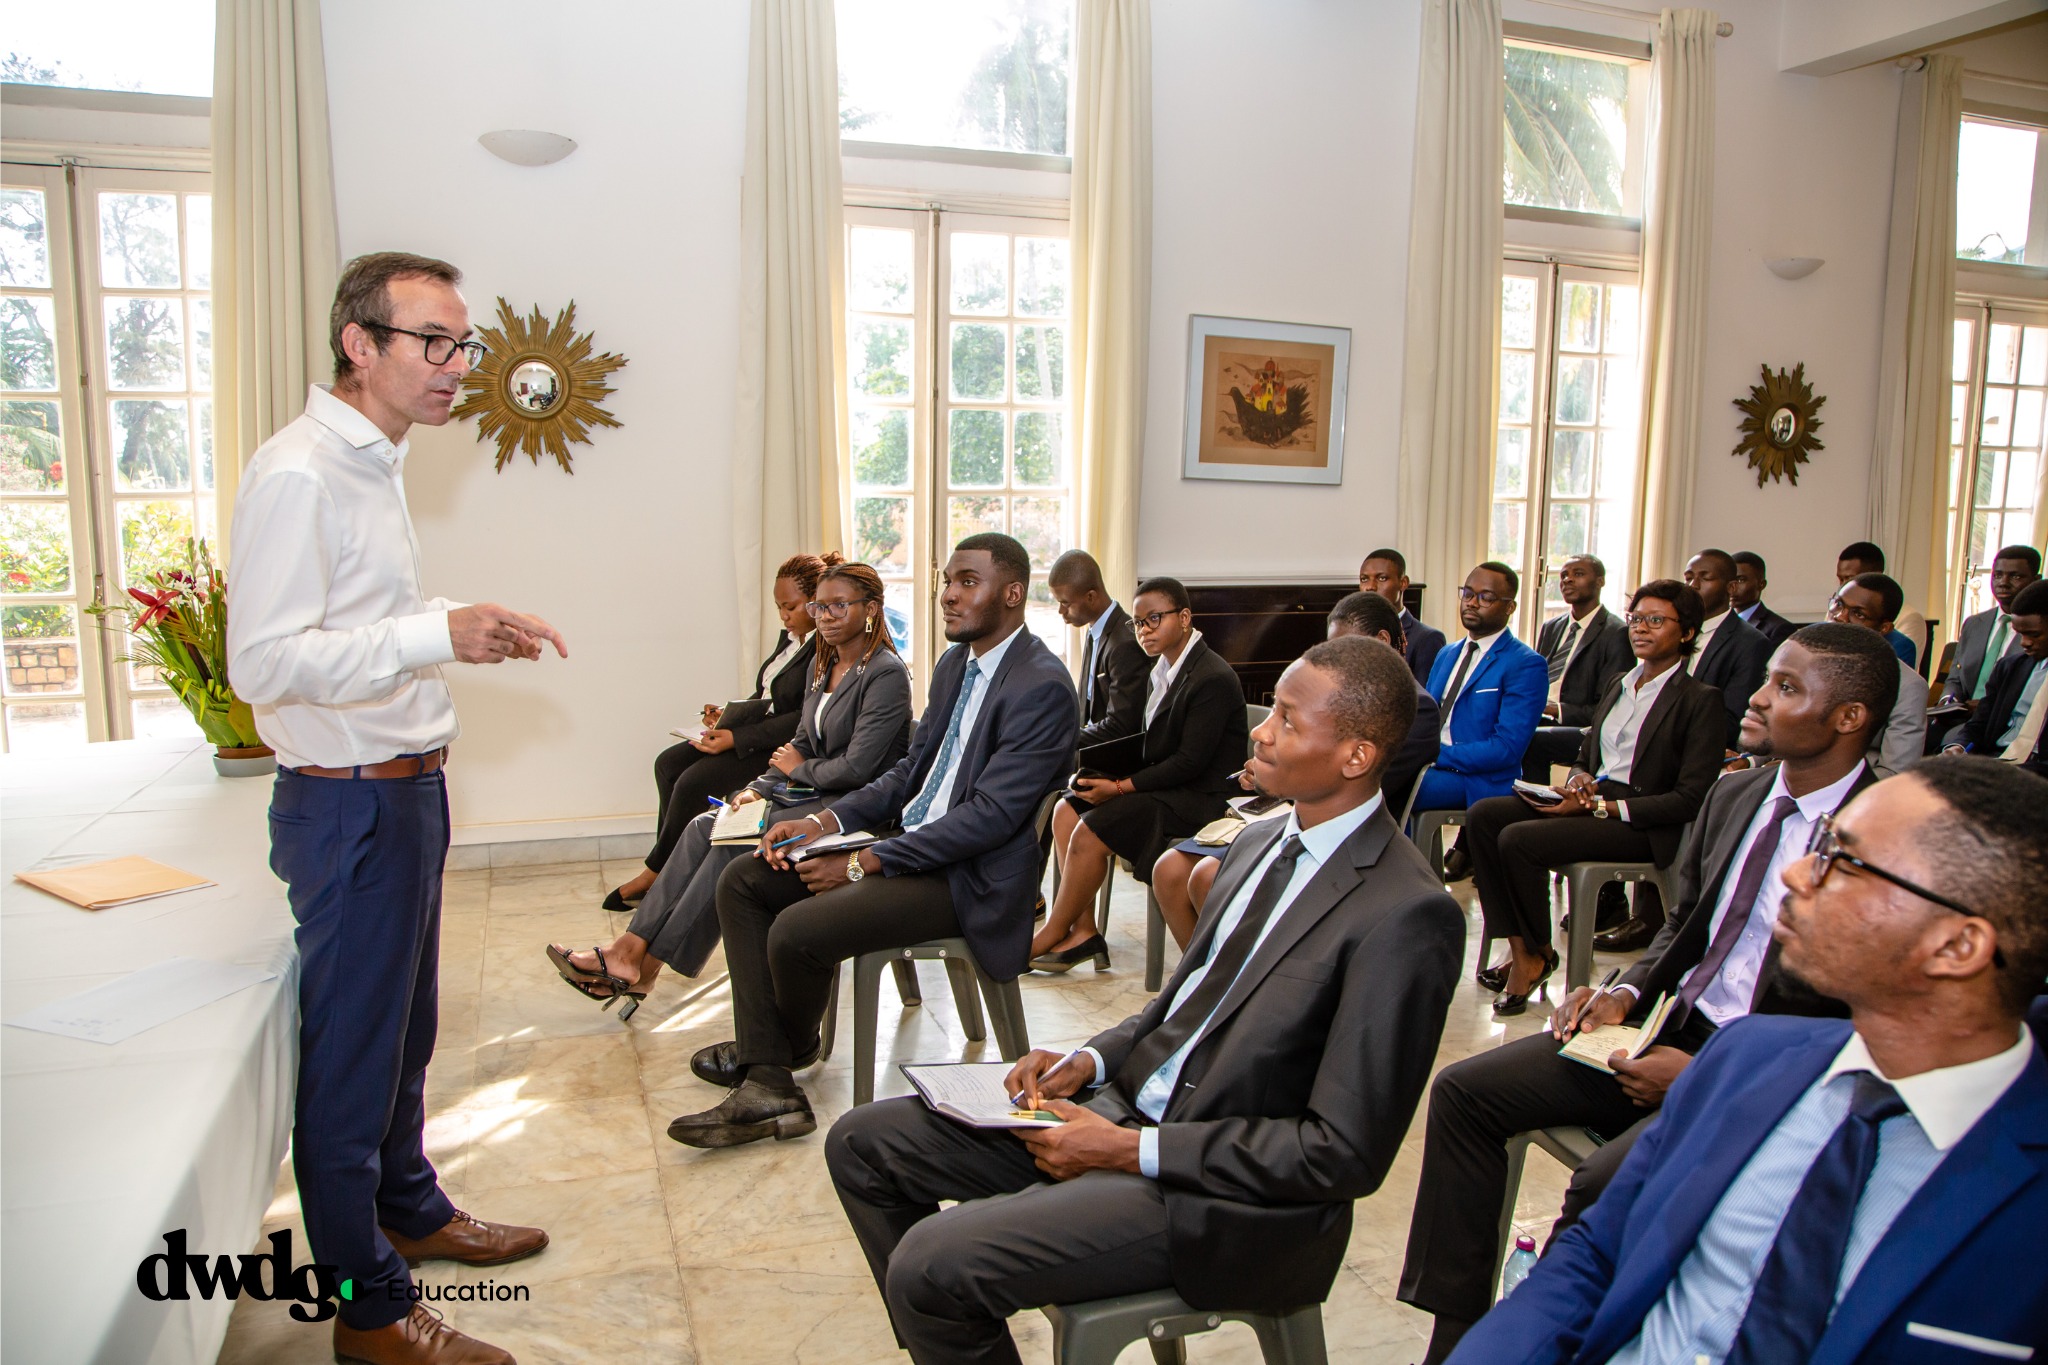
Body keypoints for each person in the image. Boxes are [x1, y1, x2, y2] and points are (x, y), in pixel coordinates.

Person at [824, 637, 1465, 1364]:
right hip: (1123, 1115)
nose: (1261, 732)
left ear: (1356, 755)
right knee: (864, 1143)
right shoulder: (1257, 844)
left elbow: (1340, 1154)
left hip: (1220, 1204)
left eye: (1287, 720)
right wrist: (1088, 1061)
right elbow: (1192, 1007)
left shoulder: (1405, 913)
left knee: (930, 1265)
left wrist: (1133, 1152)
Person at [226, 252, 560, 1365]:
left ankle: (409, 1206)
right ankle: (369, 1311)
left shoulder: (371, 461)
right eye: (433, 341)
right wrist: (431, 635)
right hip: (347, 807)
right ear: (359, 344)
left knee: (406, 1031)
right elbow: (262, 662)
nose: (457, 364)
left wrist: (459, 620)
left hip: (403, 792)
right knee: (353, 1058)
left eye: (463, 342)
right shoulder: (301, 472)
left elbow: (355, 617)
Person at [1397, 623, 1895, 1364]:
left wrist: (1705, 1077)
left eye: (1786, 687)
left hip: (1770, 1070)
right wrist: (1623, 993)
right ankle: (1462, 1341)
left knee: (1605, 1182)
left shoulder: (1888, 837)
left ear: (1849, 716)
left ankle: (1558, 1347)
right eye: (1767, 678)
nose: (1758, 698)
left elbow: (1877, 1021)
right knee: (1466, 1094)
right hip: (1671, 1025)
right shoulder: (1738, 794)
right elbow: (1685, 924)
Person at [1444, 756, 2048, 1365]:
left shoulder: (2024, 1203)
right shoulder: (1750, 1057)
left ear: (1957, 945)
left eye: (1844, 862)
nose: (1796, 874)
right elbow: (1599, 1252)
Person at [664, 533, 1078, 1148]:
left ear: (1013, 594)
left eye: (968, 582)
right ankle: (771, 1070)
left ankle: (774, 1059)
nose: (948, 595)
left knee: (797, 929)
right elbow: (909, 772)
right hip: (911, 843)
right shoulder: (955, 665)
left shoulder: (1041, 685)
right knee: (745, 880)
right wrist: (824, 824)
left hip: (967, 877)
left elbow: (990, 819)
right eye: (946, 581)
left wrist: (864, 862)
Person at [544, 561, 911, 1009]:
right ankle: (629, 950)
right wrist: (758, 788)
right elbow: (798, 744)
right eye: (819, 607)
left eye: (839, 606)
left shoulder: (886, 674)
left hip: (850, 810)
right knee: (704, 825)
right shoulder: (825, 662)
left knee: (730, 842)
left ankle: (643, 965)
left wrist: (798, 770)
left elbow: (857, 768)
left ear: (870, 609)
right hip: (812, 794)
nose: (825, 617)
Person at [1462, 581, 1725, 1016]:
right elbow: (1587, 755)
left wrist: (1600, 807)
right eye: (1636, 619)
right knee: (1486, 815)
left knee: (1519, 839)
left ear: (1687, 633)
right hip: (1594, 800)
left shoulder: (1700, 700)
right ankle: (1527, 950)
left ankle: (1532, 957)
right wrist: (1580, 779)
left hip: (1641, 823)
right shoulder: (1620, 683)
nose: (1640, 628)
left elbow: (1690, 798)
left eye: (1655, 620)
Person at [1149, 590, 1439, 947]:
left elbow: (1352, 789)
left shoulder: (1415, 709)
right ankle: (1213, 970)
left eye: (1344, 649)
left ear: (1381, 642)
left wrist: (1279, 778)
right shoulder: (1325, 695)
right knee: (1170, 869)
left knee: (1207, 875)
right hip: (1291, 816)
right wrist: (1269, 774)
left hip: (1338, 835)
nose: (1333, 662)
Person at [1033, 576, 1247, 969]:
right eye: (1138, 622)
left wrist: (1118, 787)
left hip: (1202, 799)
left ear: (1184, 618)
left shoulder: (1211, 677)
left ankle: (1052, 932)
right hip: (1169, 786)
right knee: (1068, 807)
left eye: (1154, 619)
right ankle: (1083, 931)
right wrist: (1104, 774)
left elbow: (1189, 763)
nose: (1144, 630)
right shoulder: (1162, 669)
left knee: (1092, 828)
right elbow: (1152, 745)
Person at [601, 554, 829, 911]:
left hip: (778, 746)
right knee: (667, 764)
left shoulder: (824, 647)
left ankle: (657, 874)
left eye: (790, 607)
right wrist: (728, 716)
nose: (784, 616)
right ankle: (668, 865)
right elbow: (768, 695)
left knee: (693, 783)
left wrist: (736, 738)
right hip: (755, 732)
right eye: (778, 607)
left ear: (815, 602)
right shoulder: (791, 640)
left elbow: (801, 716)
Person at [1413, 564, 1547, 886]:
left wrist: (1434, 754)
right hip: (1433, 765)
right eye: (1468, 593)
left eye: (1485, 597)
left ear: (1510, 607)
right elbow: (1426, 718)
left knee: (1397, 785)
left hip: (1480, 780)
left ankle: (1409, 883)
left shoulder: (1525, 664)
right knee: (1374, 776)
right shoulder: (1448, 653)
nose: (1472, 603)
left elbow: (1506, 749)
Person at [1521, 555, 1633, 783]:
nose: (1567, 580)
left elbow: (1608, 708)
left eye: (1578, 574)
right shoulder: (1551, 627)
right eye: (1564, 576)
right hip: (1538, 713)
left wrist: (1556, 710)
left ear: (1600, 581)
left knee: (1531, 740)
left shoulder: (1617, 633)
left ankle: (1535, 799)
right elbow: (1535, 679)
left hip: (1584, 727)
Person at [1825, 571, 1930, 776]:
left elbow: (1895, 772)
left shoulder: (1907, 687)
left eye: (1858, 614)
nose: (1840, 617)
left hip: (1853, 785)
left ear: (1884, 628)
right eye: (1838, 604)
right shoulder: (1803, 660)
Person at [1944, 577, 2048, 778]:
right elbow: (1979, 723)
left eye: (2034, 635)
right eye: (2020, 634)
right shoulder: (2010, 667)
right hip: (1996, 759)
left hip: (2037, 770)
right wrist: (1959, 746)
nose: (2024, 643)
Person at [1048, 548, 1150, 747]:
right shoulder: (1094, 631)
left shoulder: (1125, 644)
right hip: (1090, 745)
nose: (1060, 611)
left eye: (1065, 603)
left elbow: (1120, 726)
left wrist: (1062, 740)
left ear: (1091, 597)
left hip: (1112, 754)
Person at [1676, 548, 1772, 754]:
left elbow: (1732, 720)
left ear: (1731, 587)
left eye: (1705, 578)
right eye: (1689, 578)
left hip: (1703, 752)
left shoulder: (1751, 642)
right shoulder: (1675, 629)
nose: (1693, 586)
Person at [1938, 543, 2040, 726]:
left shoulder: (2040, 633)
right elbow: (1955, 678)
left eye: (2015, 576)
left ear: (2036, 580)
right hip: (1960, 717)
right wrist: (1948, 702)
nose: (2003, 583)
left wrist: (1988, 707)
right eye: (1997, 575)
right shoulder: (1973, 624)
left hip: (2005, 722)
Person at [1361, 546, 1445, 683]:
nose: (1370, 586)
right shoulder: (1355, 633)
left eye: (1382, 578)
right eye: (1364, 579)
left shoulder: (1427, 638)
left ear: (1403, 583)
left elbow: (1423, 695)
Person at [1837, 539, 1926, 666]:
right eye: (1841, 579)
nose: (1843, 586)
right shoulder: (1838, 608)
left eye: (1849, 579)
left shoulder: (1908, 619)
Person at [1729, 550, 1796, 645]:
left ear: (1761, 584)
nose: (1732, 587)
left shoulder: (1780, 629)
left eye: (1741, 580)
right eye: (1729, 580)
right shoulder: (1721, 623)